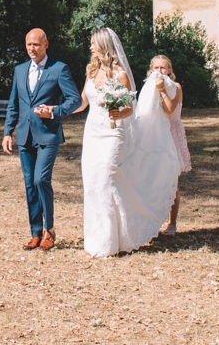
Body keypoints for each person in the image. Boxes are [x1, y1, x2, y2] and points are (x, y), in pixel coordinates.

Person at [79, 28, 180, 258]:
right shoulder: (91, 72)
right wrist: (55, 110)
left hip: (112, 135)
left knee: (106, 180)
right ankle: (97, 240)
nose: (90, 47)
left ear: (104, 46)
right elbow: (82, 102)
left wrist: (117, 113)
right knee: (93, 182)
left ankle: (115, 240)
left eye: (93, 44)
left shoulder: (120, 74)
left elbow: (129, 109)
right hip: (92, 133)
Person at [1, 28, 82, 251]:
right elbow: (14, 104)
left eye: (36, 44)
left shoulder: (59, 69)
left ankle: (50, 230)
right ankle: (35, 232)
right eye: (28, 44)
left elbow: (74, 100)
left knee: (41, 180)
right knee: (29, 184)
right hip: (24, 136)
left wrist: (54, 111)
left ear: (46, 45)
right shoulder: (19, 70)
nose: (31, 49)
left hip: (48, 135)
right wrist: (8, 132)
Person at [147, 55, 191, 236]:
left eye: (163, 68)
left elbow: (169, 109)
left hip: (171, 135)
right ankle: (153, 221)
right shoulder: (149, 88)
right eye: (156, 68)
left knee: (172, 182)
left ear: (169, 70)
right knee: (153, 181)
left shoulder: (176, 87)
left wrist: (162, 90)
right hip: (155, 137)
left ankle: (172, 223)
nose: (159, 71)